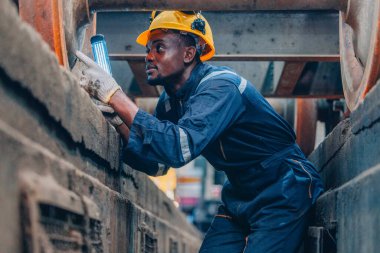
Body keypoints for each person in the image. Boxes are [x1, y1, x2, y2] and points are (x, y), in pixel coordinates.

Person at [76, 10, 324, 253]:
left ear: (188, 53)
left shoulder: (220, 87)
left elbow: (178, 147)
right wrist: (119, 120)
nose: (149, 56)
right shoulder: (171, 102)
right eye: (147, 49)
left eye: (159, 48)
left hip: (284, 187)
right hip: (240, 194)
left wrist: (114, 95)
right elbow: (158, 162)